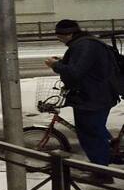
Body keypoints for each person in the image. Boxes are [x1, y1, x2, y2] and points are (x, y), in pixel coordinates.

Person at [45, 19, 119, 181]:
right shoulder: (85, 44)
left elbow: (75, 72)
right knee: (95, 131)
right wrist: (62, 62)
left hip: (92, 98)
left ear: (69, 34)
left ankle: (102, 173)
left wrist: (55, 66)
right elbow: (84, 67)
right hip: (96, 95)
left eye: (60, 35)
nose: (59, 39)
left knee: (90, 135)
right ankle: (106, 158)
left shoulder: (83, 46)